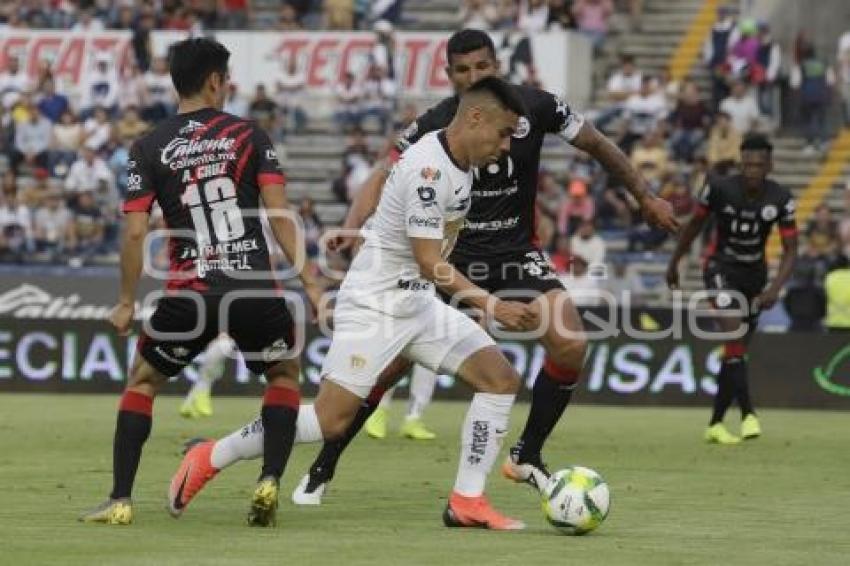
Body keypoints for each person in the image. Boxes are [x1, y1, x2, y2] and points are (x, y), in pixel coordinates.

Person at [174, 29, 676, 507]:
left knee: (564, 345)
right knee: (378, 376)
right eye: (462, 69)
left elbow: (598, 144)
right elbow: (383, 178)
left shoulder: (537, 106)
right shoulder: (433, 134)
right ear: (449, 74)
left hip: (512, 252)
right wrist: (353, 227)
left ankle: (517, 462)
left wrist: (645, 195)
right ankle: (324, 462)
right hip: (443, 259)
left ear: (496, 66)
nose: (472, 75)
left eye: (481, 66)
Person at [175, 76, 539, 530]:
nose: (507, 147)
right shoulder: (430, 169)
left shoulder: (460, 162)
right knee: (330, 422)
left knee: (499, 379)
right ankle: (211, 455)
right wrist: (491, 305)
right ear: (475, 118)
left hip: (417, 306)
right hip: (375, 306)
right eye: (504, 133)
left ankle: (468, 499)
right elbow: (429, 260)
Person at [78, 37, 324, 527]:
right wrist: (313, 285)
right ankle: (269, 479)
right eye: (227, 79)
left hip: (190, 294)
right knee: (282, 375)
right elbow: (279, 215)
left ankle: (121, 499)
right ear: (215, 81)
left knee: (143, 382)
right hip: (253, 287)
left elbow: (133, 230)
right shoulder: (251, 135)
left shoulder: (148, 146)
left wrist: (126, 301)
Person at [667, 135, 798, 445]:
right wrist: (674, 263)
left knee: (735, 352)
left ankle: (715, 424)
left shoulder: (781, 198)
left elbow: (791, 250)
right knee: (734, 334)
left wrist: (774, 289)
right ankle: (748, 413)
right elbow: (694, 227)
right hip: (719, 269)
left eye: (758, 165)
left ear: (770, 165)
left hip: (755, 277)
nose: (752, 170)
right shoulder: (719, 188)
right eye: (747, 164)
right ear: (741, 164)